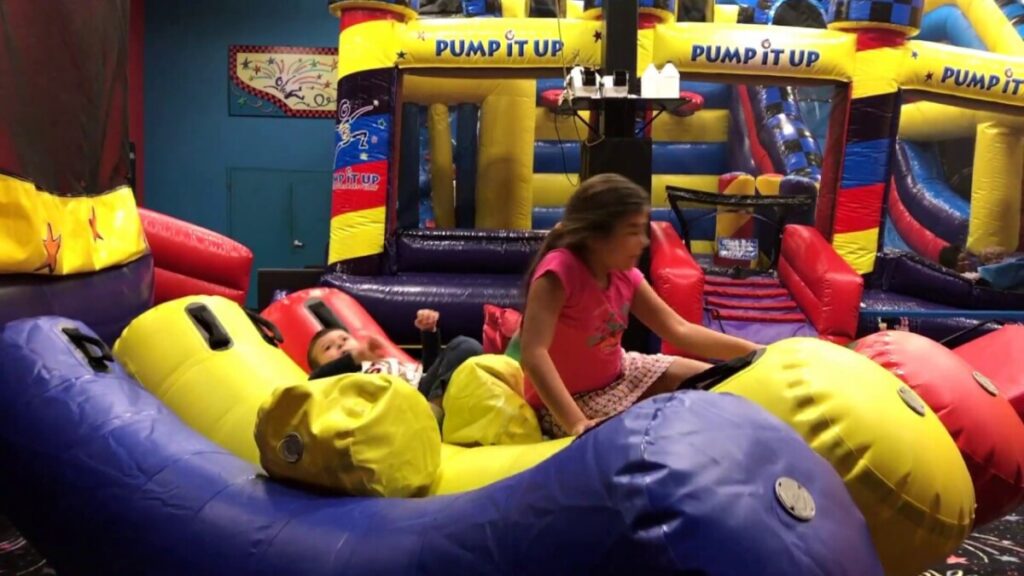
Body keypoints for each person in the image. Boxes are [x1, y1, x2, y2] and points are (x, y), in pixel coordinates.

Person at [519, 174, 762, 438]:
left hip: (621, 375)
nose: (644, 241)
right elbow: (534, 354)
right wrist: (577, 423)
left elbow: (679, 329)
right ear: (597, 234)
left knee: (720, 383)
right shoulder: (560, 272)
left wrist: (757, 354)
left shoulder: (624, 274)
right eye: (633, 231)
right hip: (569, 401)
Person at [306, 309, 483, 422]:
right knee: (465, 346)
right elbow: (314, 381)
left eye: (344, 339)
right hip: (399, 407)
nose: (339, 344)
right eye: (327, 348)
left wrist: (429, 333)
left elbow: (431, 372)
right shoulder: (340, 383)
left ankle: (434, 410)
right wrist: (355, 358)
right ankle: (431, 416)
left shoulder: (381, 362)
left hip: (423, 395)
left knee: (467, 346)